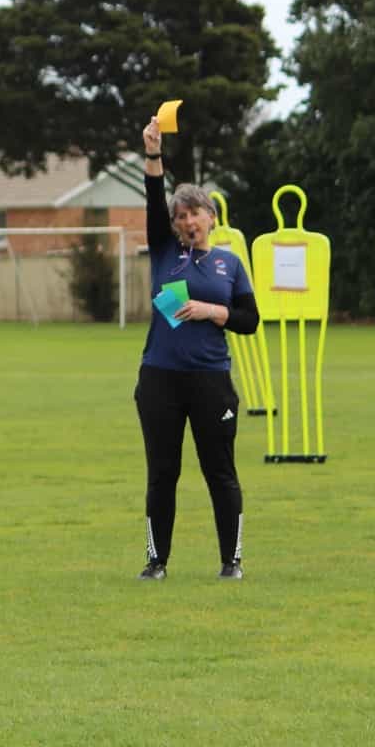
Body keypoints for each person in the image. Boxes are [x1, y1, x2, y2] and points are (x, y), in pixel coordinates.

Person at [134, 116, 261, 581]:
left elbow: (250, 320)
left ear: (211, 217)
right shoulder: (165, 253)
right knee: (162, 474)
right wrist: (153, 154)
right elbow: (152, 199)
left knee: (220, 473)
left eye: (195, 212)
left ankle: (232, 561)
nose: (189, 221)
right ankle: (156, 562)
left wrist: (212, 312)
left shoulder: (230, 263)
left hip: (211, 381)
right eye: (181, 214)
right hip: (160, 379)